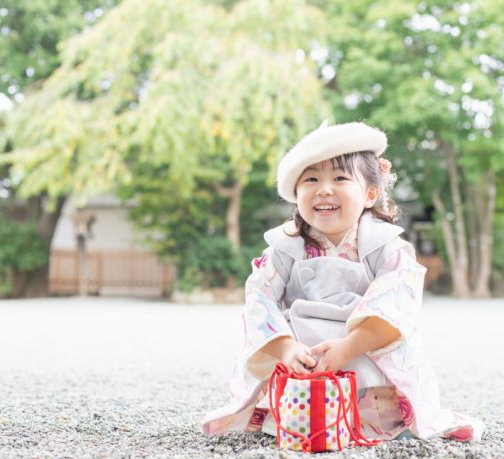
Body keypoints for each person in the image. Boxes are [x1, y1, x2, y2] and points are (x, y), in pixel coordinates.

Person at [202, 121, 484, 442]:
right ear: (296, 195)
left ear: (370, 194)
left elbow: (395, 302)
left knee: (383, 345)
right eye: (311, 179)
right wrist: (285, 347)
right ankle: (295, 415)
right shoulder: (284, 246)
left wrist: (350, 346)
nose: (324, 189)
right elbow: (260, 297)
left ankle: (371, 419)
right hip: (303, 350)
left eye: (339, 178)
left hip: (362, 342)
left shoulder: (386, 245)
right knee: (290, 359)